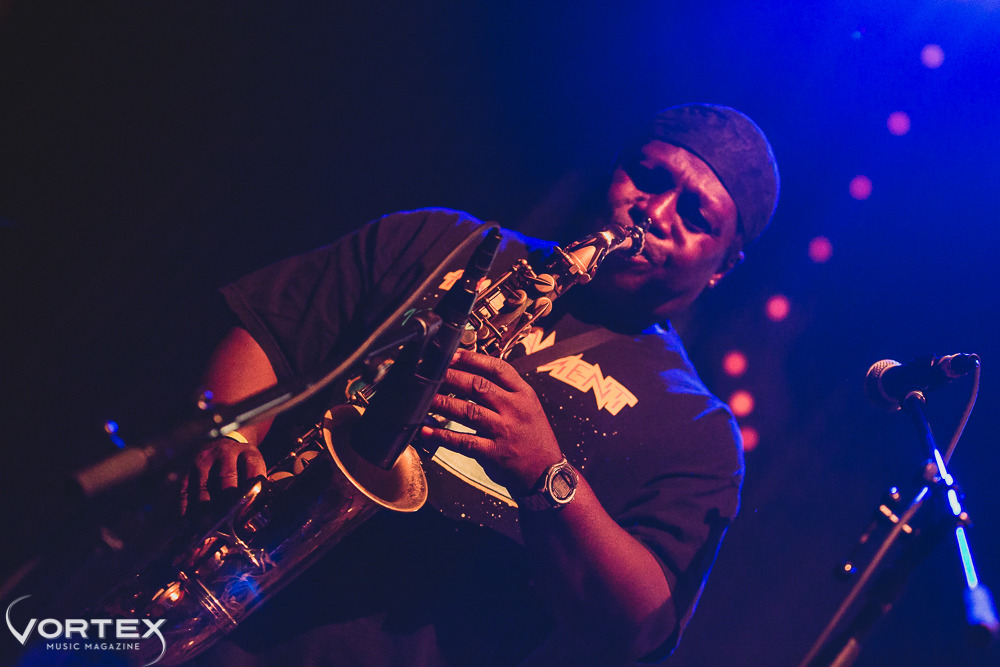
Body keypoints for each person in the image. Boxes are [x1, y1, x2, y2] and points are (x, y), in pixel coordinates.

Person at [185, 103, 779, 666]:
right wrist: (233, 435)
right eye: (647, 177)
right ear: (615, 168)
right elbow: (270, 331)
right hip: (215, 607)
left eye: (697, 216)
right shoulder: (443, 243)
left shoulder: (698, 430)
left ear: (725, 264)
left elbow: (642, 630)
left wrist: (545, 473)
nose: (655, 211)